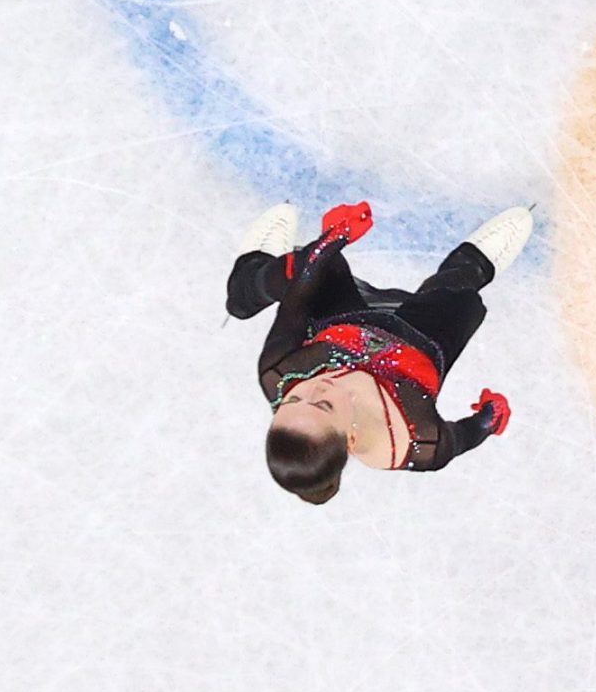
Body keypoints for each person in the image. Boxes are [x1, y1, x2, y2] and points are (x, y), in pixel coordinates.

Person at [227, 199, 529, 504]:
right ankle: (473, 263)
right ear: (352, 438)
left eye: (292, 400)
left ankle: (245, 287)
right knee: (458, 295)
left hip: (343, 321)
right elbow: (460, 439)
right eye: (323, 406)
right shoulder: (415, 441)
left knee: (303, 269)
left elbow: (296, 305)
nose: (314, 387)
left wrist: (329, 242)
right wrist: (490, 419)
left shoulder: (279, 374)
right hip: (421, 341)